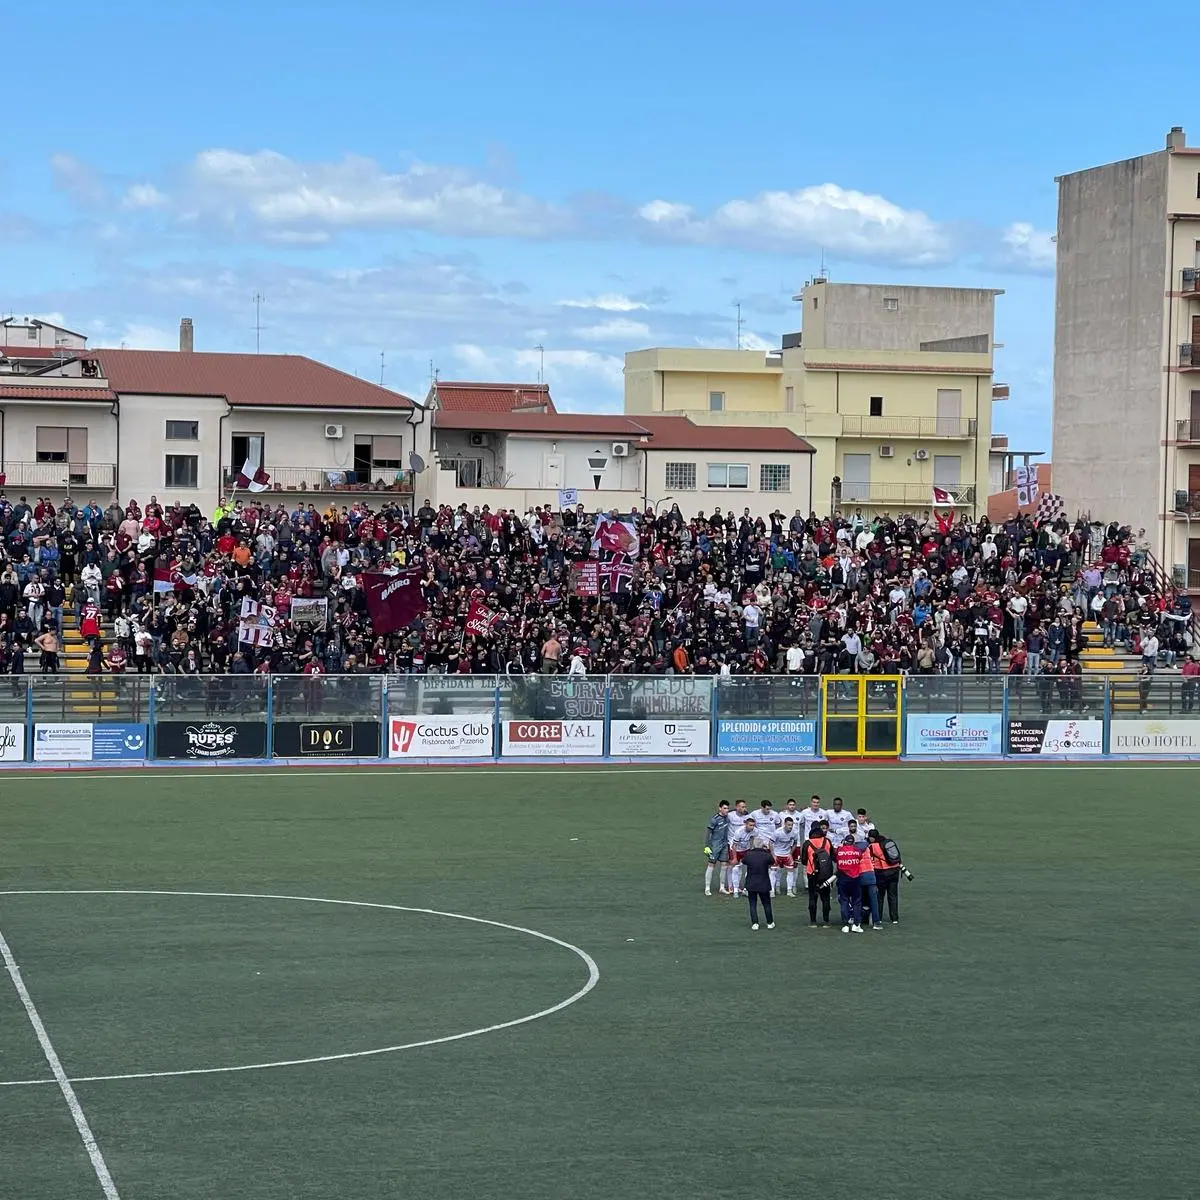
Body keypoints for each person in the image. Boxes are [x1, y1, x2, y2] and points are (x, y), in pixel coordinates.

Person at [800, 823, 836, 927]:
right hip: (826, 874)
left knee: (812, 897)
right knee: (825, 898)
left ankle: (813, 922)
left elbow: (803, 860)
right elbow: (833, 856)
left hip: (812, 874)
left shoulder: (807, 843)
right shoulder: (827, 841)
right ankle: (826, 921)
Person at [740, 838, 775, 931]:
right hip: (764, 883)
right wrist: (767, 850)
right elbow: (773, 861)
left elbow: (743, 861)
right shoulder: (766, 855)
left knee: (752, 904)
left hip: (751, 883)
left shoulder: (749, 855)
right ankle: (770, 922)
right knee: (766, 904)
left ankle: (755, 923)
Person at [869, 830, 903, 924]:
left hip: (882, 873)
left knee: (880, 896)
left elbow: (873, 862)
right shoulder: (888, 842)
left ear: (872, 837)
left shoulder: (872, 846)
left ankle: (879, 917)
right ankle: (894, 918)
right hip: (895, 871)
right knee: (893, 895)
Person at [835, 835, 864, 934]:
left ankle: (845, 925)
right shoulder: (857, 851)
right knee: (857, 902)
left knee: (844, 901)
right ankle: (856, 924)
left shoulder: (839, 850)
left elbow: (835, 857)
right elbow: (860, 857)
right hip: (855, 878)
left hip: (843, 878)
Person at [703, 801, 731, 897]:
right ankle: (707, 888)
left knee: (724, 864)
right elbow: (708, 832)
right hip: (715, 845)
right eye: (724, 808)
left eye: (727, 808)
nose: (726, 810)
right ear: (720, 808)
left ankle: (722, 887)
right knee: (711, 865)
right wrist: (707, 846)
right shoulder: (714, 819)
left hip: (724, 844)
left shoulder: (727, 817)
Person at [728, 815, 757, 898]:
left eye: (753, 825)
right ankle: (736, 890)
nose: (752, 827)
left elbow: (752, 839)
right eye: (750, 825)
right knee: (736, 869)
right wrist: (734, 858)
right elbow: (734, 846)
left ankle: (746, 889)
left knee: (750, 870)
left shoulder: (755, 831)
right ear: (746, 824)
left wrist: (751, 850)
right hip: (736, 850)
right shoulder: (739, 832)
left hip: (746, 851)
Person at [770, 815, 798, 897]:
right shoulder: (777, 832)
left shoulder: (794, 833)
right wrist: (773, 855)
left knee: (790, 872)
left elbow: (795, 843)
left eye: (791, 825)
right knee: (773, 872)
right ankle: (772, 890)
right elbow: (770, 843)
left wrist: (790, 853)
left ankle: (789, 891)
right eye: (789, 825)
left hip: (786, 855)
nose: (790, 827)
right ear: (784, 824)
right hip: (777, 854)